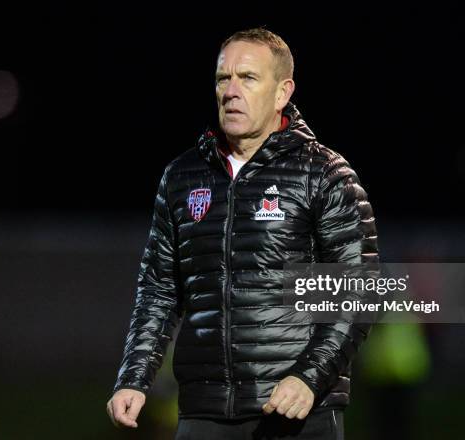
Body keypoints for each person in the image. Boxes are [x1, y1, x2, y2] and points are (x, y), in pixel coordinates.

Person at [106, 27, 379, 439]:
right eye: (222, 78)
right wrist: (135, 375)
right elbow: (159, 288)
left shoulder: (324, 175)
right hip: (203, 410)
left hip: (295, 411)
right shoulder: (182, 177)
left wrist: (308, 377)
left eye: (247, 78)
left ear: (282, 92)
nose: (230, 90)